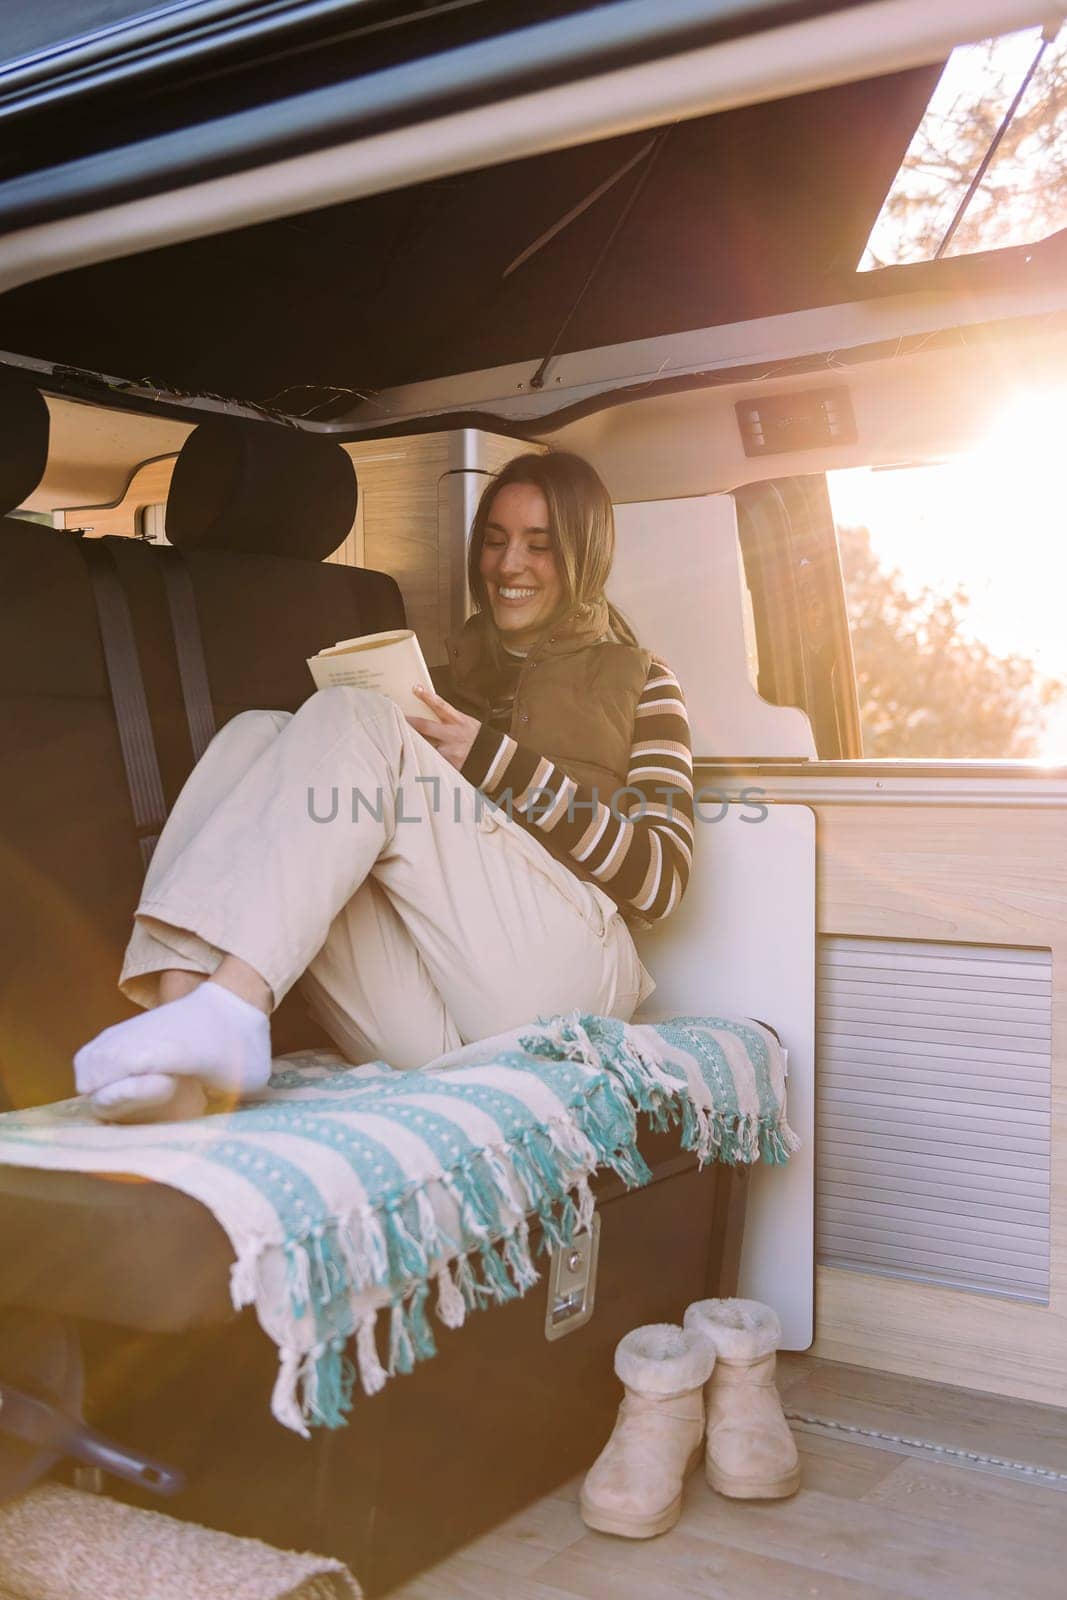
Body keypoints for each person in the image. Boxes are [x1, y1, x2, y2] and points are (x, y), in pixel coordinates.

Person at [74, 452, 695, 1120]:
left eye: (539, 547)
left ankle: (233, 1005)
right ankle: (184, 1038)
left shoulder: (642, 680)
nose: (509, 565)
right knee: (259, 734)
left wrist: (494, 762)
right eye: (494, 541)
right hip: (441, 1015)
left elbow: (659, 881)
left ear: (585, 557)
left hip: (570, 979)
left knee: (356, 718)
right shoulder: (436, 680)